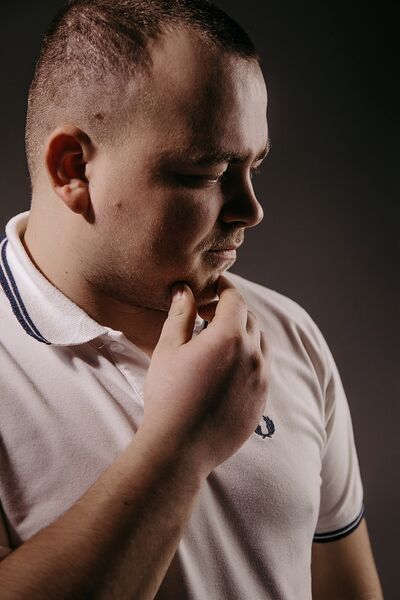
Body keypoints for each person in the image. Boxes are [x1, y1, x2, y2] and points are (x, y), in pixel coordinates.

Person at [0, 0, 383, 598]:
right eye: (207, 173)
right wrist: (182, 445)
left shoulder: (287, 332)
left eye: (254, 166)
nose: (251, 210)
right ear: (73, 168)